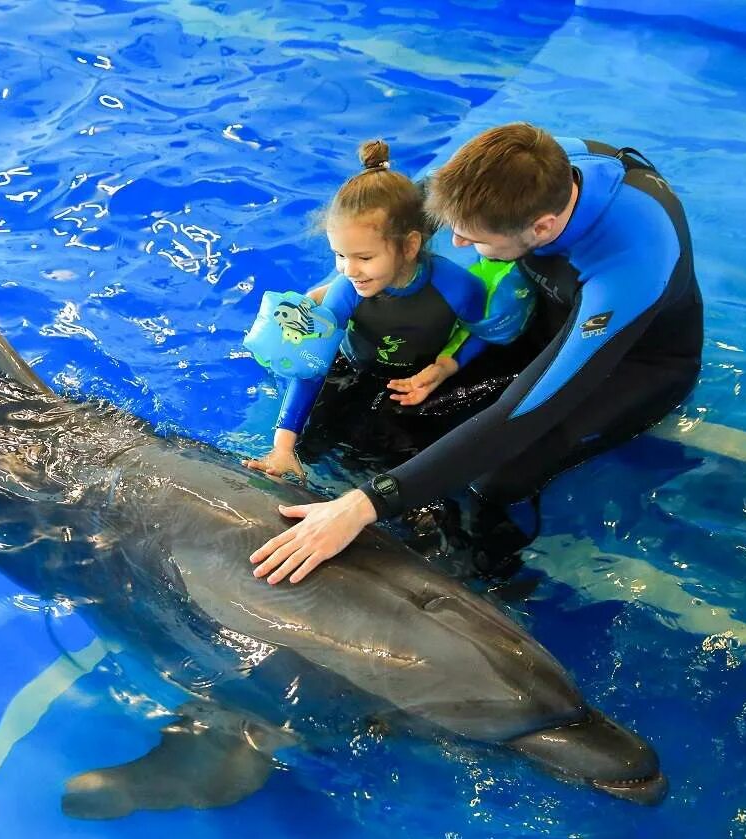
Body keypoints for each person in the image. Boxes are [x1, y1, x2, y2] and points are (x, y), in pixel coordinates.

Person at [249, 123, 703, 585]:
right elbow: (405, 215)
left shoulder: (631, 263)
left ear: (542, 228)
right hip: (543, 321)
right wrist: (344, 283)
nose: (458, 245)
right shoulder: (531, 162)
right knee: (388, 411)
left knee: (497, 477)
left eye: (473, 238)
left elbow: (520, 414)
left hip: (631, 362)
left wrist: (361, 505)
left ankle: (504, 582)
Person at [243, 139, 510, 483]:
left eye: (363, 258)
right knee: (311, 446)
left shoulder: (457, 287)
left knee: (395, 460)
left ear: (410, 246)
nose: (348, 270)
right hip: (352, 367)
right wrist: (283, 446)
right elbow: (313, 366)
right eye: (340, 255)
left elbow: (479, 330)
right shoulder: (346, 290)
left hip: (417, 377)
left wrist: (445, 368)